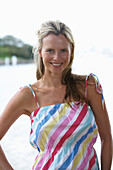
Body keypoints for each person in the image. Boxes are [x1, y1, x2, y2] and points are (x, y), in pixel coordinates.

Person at [0, 20, 112, 170]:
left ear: (71, 50)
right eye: (50, 50)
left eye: (63, 50)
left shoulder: (88, 86)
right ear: (40, 52)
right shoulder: (28, 95)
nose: (57, 58)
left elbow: (107, 138)